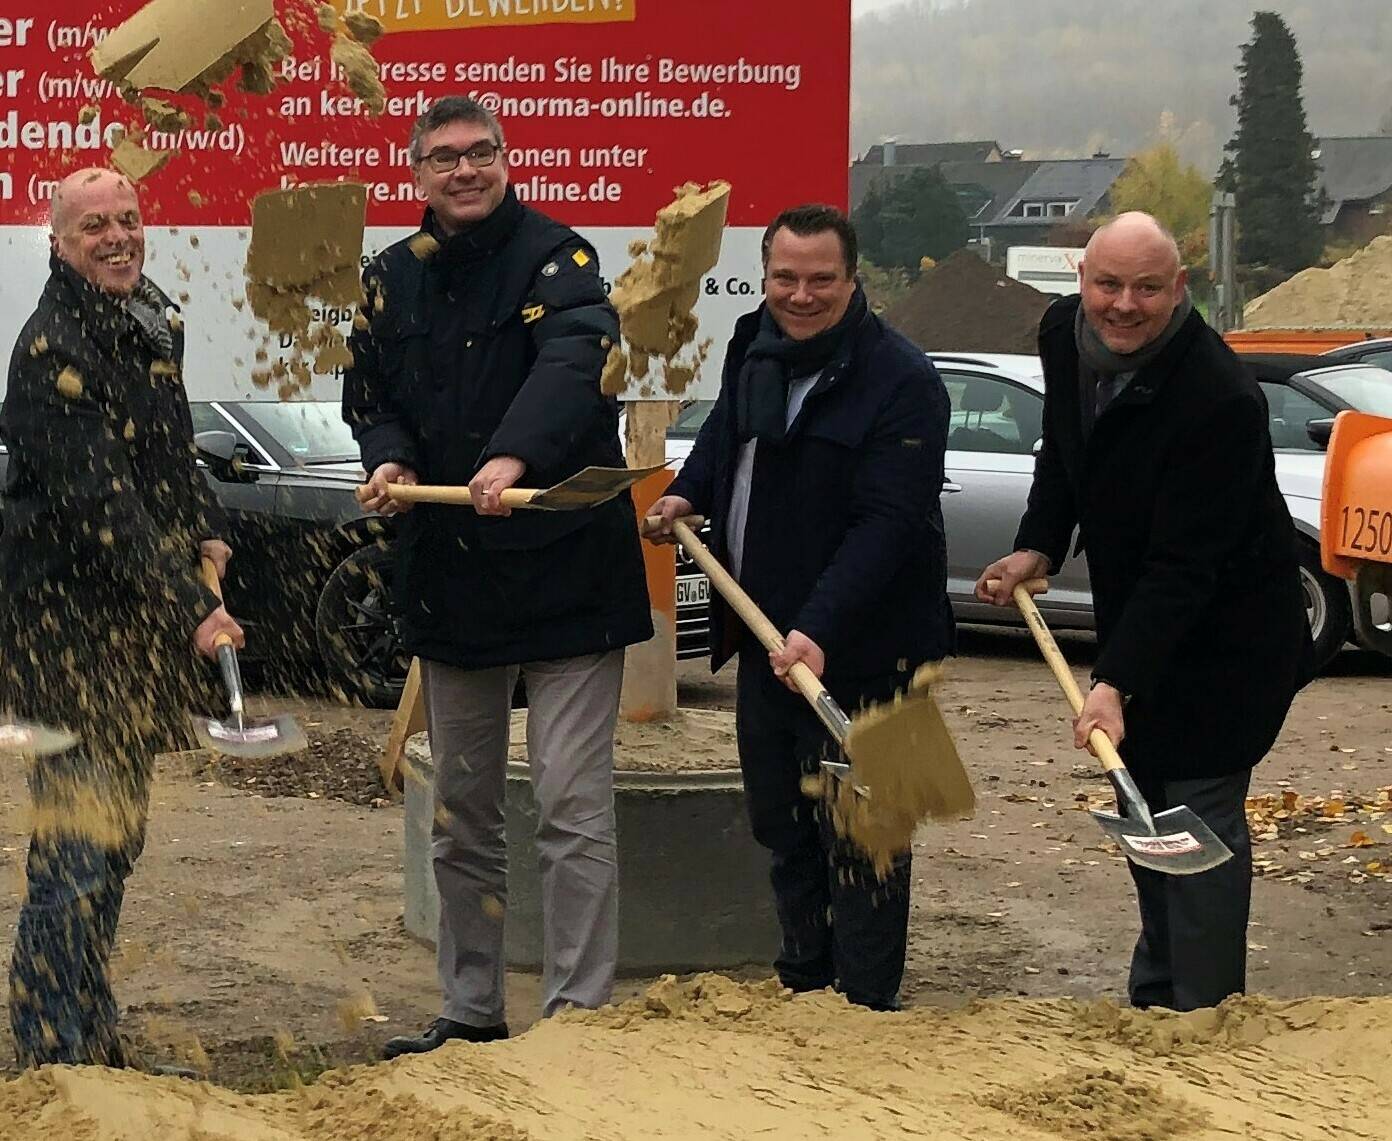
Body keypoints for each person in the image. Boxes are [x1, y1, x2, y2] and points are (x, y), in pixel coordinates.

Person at [347, 97, 651, 1057]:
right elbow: (370, 392)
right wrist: (391, 457)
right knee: (462, 812)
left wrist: (515, 454)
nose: (466, 170)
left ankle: (578, 1021)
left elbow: (573, 362)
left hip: (566, 570)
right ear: (418, 175)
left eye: (483, 153)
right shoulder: (389, 278)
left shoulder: (564, 260)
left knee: (569, 803)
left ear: (507, 160)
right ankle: (472, 1010)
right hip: (453, 577)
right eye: (444, 158)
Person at [975, 211, 1314, 1012]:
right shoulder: (1064, 334)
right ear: (1081, 279)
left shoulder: (1219, 398)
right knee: (1146, 803)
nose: (1124, 305)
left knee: (1194, 816)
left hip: (1231, 642)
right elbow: (1064, 450)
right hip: (1148, 620)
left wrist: (1114, 680)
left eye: (1147, 288)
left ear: (1180, 290)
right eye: (1108, 284)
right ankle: (1156, 997)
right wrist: (1039, 546)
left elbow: (1185, 565)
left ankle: (1202, 1016)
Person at [647, 205, 954, 1011]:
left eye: (822, 279)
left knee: (868, 840)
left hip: (874, 649)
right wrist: (686, 491)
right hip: (764, 640)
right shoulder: (755, 343)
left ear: (854, 281)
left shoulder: (906, 381)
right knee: (783, 829)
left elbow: (888, 525)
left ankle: (864, 1006)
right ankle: (806, 986)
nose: (802, 294)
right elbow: (725, 438)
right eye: (786, 277)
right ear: (765, 274)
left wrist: (817, 627)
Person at [1, 168, 244, 1069]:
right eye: (93, 224)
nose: (117, 236)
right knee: (75, 849)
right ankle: (53, 1053)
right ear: (57, 242)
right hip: (63, 639)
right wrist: (194, 612)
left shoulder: (152, 320)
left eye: (129, 220)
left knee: (117, 839)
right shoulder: (49, 351)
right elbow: (108, 511)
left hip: (127, 641)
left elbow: (172, 463)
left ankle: (88, 1032)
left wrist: (211, 539)